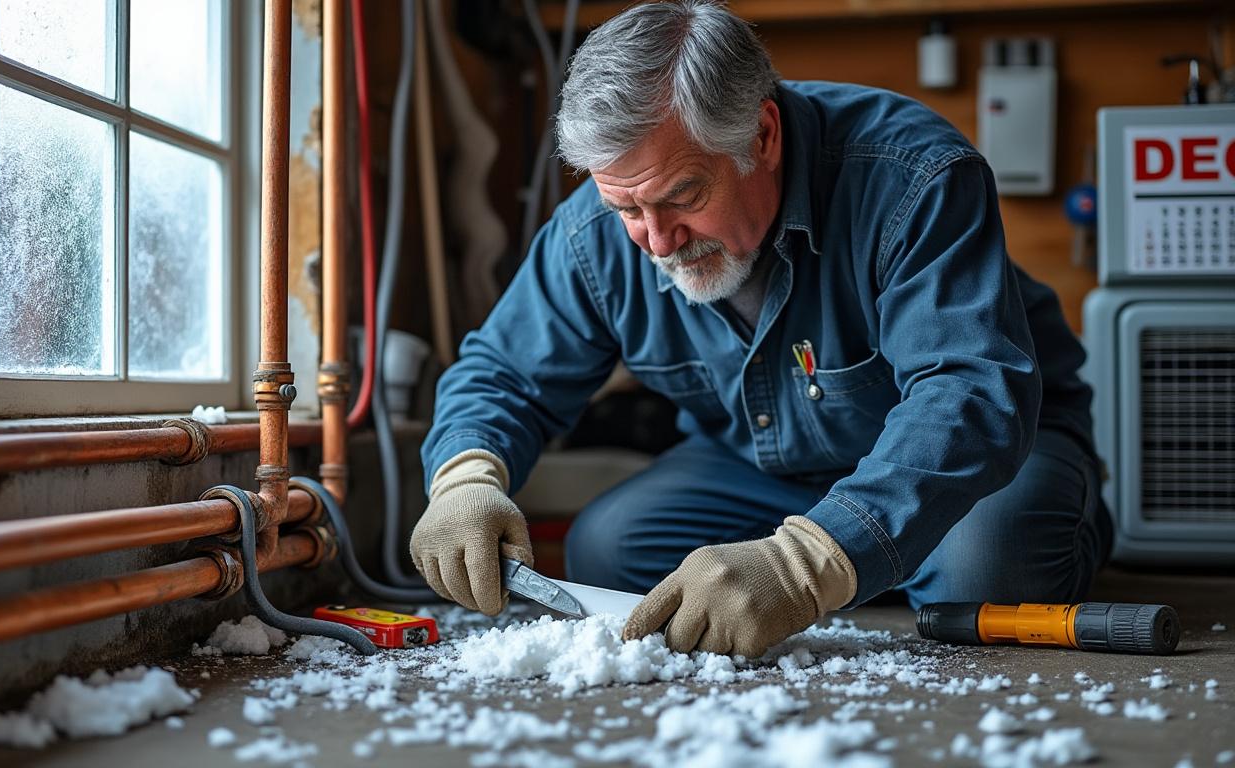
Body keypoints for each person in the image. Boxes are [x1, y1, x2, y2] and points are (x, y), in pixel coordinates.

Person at [409, 0, 1112, 659]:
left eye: (683, 196)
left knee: (987, 570)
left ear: (763, 136)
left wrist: (806, 563)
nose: (656, 241)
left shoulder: (911, 177)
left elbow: (967, 391)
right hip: (762, 467)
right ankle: (881, 562)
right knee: (611, 550)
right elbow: (503, 373)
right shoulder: (598, 235)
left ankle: (1023, 531)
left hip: (977, 455)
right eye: (626, 207)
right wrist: (465, 478)